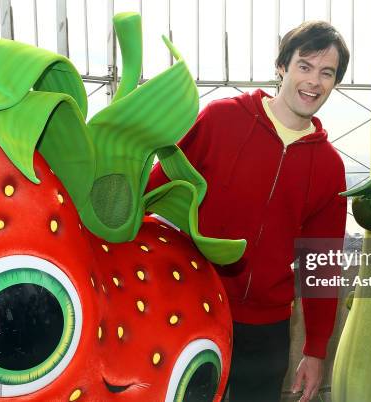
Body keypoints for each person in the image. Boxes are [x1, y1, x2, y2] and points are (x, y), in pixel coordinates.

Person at [147, 20, 349, 402]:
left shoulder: (329, 166)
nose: (314, 81)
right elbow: (156, 192)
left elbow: (322, 262)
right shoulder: (220, 118)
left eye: (327, 73)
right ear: (282, 67)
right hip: (194, 307)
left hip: (266, 330)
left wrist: (315, 349)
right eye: (304, 66)